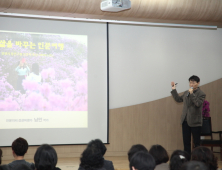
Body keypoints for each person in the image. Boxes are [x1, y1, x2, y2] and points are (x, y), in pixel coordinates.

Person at [171, 75, 206, 154]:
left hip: (195, 122)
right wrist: (174, 89)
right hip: (185, 121)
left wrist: (192, 94)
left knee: (196, 143)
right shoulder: (187, 92)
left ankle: (197, 159)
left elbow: (197, 103)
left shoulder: (201, 94)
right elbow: (178, 99)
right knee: (186, 142)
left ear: (198, 83)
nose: (191, 84)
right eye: (190, 82)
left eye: (193, 82)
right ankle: (187, 159)